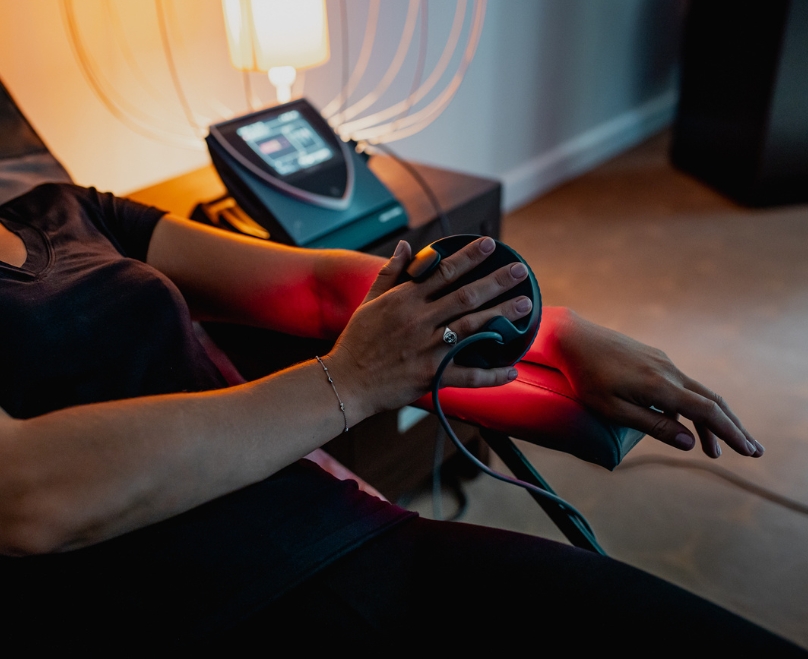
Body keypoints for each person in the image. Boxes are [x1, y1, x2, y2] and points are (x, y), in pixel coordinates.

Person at [0, 182, 801, 653]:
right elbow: (26, 492)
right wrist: (348, 382)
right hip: (174, 613)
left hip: (336, 531)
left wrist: (553, 328)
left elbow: (318, 289)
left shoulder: (63, 210)